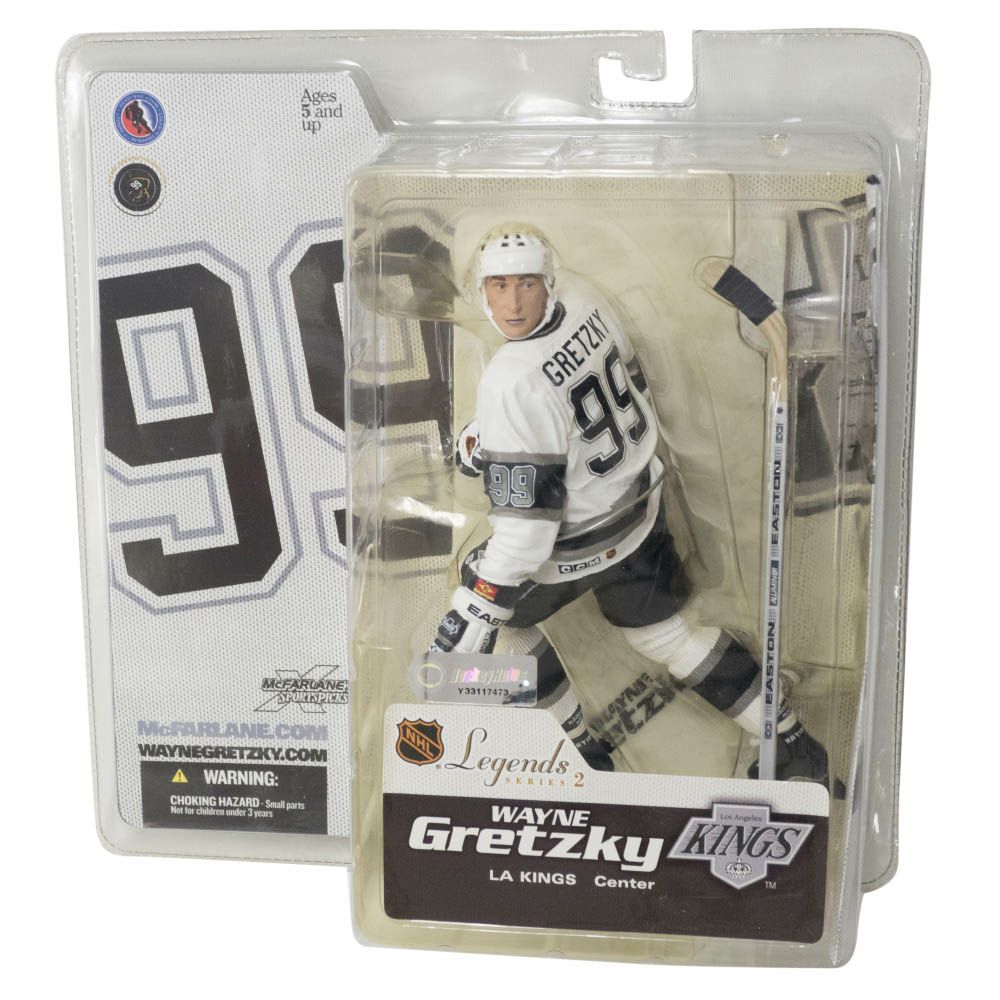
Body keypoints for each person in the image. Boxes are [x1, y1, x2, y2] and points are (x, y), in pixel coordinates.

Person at [431, 224, 833, 787]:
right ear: (484, 291)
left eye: (526, 284)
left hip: (573, 542)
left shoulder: (508, 380)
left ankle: (579, 754)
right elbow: (614, 378)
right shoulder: (586, 302)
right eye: (500, 287)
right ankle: (793, 742)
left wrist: (478, 609)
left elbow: (526, 538)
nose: (514, 303)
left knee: (500, 629)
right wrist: (501, 433)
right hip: (641, 510)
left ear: (547, 282)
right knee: (666, 636)